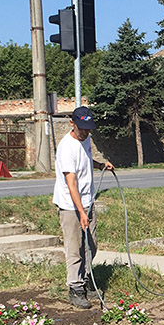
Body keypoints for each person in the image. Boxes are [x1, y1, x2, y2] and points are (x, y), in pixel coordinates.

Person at [53, 106, 114, 309]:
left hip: (87, 201)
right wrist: (80, 212)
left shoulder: (86, 139)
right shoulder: (65, 147)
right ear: (72, 123)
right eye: (82, 128)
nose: (86, 132)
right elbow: (71, 184)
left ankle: (87, 280)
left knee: (92, 245)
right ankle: (75, 288)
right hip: (71, 206)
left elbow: (86, 161)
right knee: (75, 248)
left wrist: (100, 165)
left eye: (89, 128)